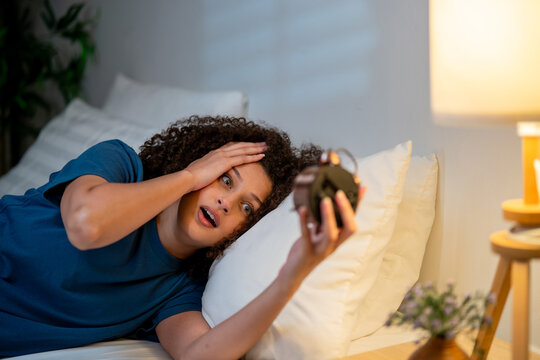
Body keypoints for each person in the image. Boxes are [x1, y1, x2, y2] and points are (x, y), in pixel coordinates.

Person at [0, 115, 361, 359]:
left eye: (246, 209)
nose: (225, 203)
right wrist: (190, 176)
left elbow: (199, 353)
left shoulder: (177, 290)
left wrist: (292, 276)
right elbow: (85, 224)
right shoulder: (121, 165)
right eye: (225, 178)